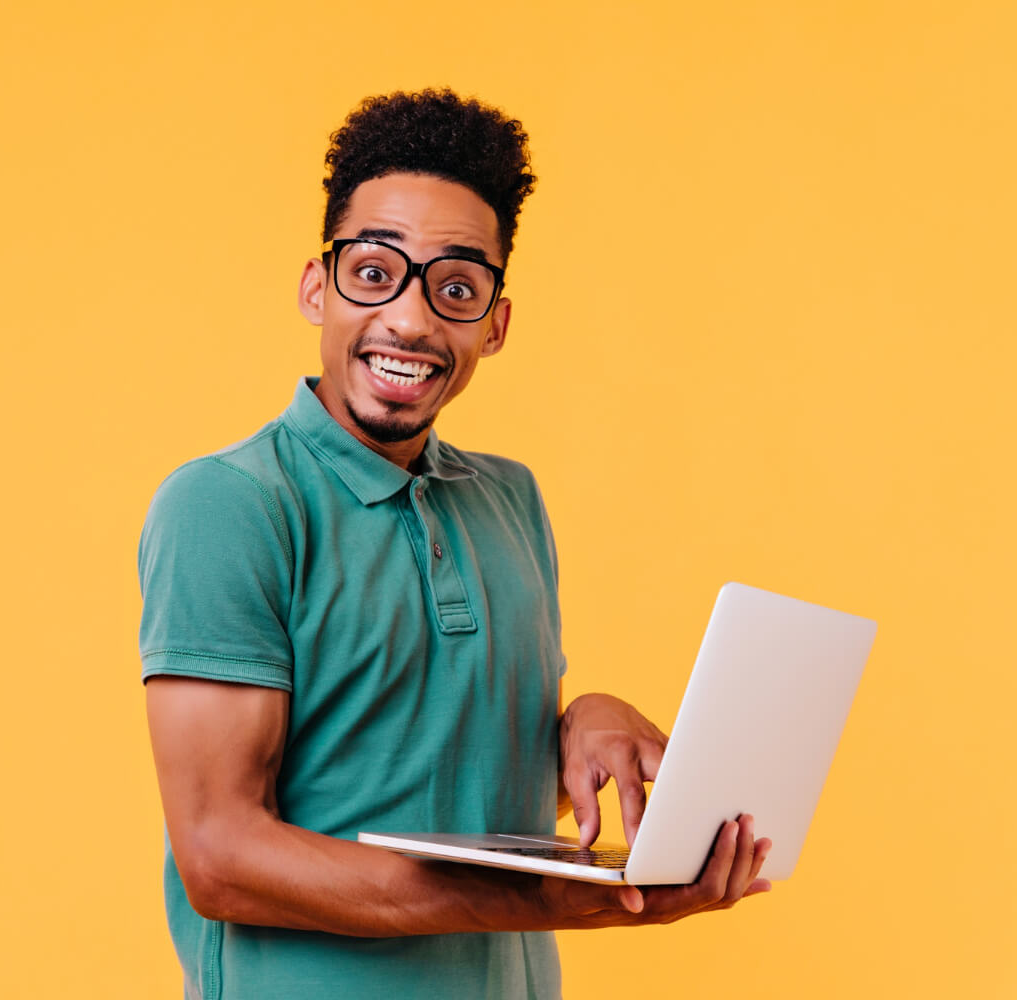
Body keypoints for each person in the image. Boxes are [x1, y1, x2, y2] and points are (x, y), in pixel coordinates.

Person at [139, 89, 771, 1000]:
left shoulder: (510, 499)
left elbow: (465, 784)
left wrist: (583, 727)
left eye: (457, 288)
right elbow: (221, 855)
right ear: (318, 286)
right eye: (373, 272)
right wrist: (562, 901)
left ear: (495, 324)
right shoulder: (230, 504)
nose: (410, 319)